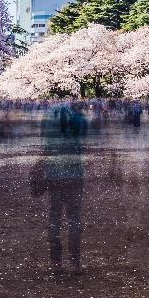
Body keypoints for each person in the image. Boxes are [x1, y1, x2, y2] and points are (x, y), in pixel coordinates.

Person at [39, 102, 88, 273]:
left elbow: (44, 157)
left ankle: (56, 262)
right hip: (74, 180)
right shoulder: (75, 136)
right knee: (74, 220)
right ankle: (75, 262)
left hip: (55, 181)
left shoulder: (50, 140)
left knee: (54, 220)